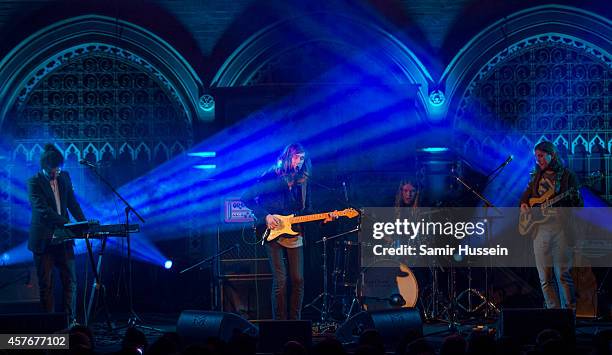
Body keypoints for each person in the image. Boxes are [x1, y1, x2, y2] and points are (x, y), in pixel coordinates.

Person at [242, 143, 312, 320]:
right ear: (288, 157)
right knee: (280, 281)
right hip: (273, 231)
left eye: (302, 158)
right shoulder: (271, 176)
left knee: (298, 279)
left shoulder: (302, 182)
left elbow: (308, 209)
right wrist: (265, 216)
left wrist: (324, 218)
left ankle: (295, 322)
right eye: (297, 157)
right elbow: (246, 198)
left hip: (294, 232)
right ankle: (279, 323)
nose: (299, 161)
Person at [27, 143, 86, 326]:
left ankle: (70, 323)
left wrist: (83, 223)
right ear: (44, 167)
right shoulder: (34, 182)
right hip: (44, 241)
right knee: (47, 286)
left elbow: (72, 203)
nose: (56, 174)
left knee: (71, 282)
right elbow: (43, 211)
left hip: (64, 240)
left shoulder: (64, 177)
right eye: (53, 171)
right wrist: (68, 223)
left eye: (58, 170)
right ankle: (50, 326)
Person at [520, 141, 582, 310]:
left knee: (562, 274)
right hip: (539, 230)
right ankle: (553, 314)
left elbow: (579, 205)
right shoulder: (535, 176)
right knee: (545, 277)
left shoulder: (567, 176)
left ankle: (569, 316)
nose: (538, 159)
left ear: (551, 154)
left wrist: (574, 198)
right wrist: (524, 205)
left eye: (541, 156)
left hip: (561, 228)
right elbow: (525, 198)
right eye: (536, 156)